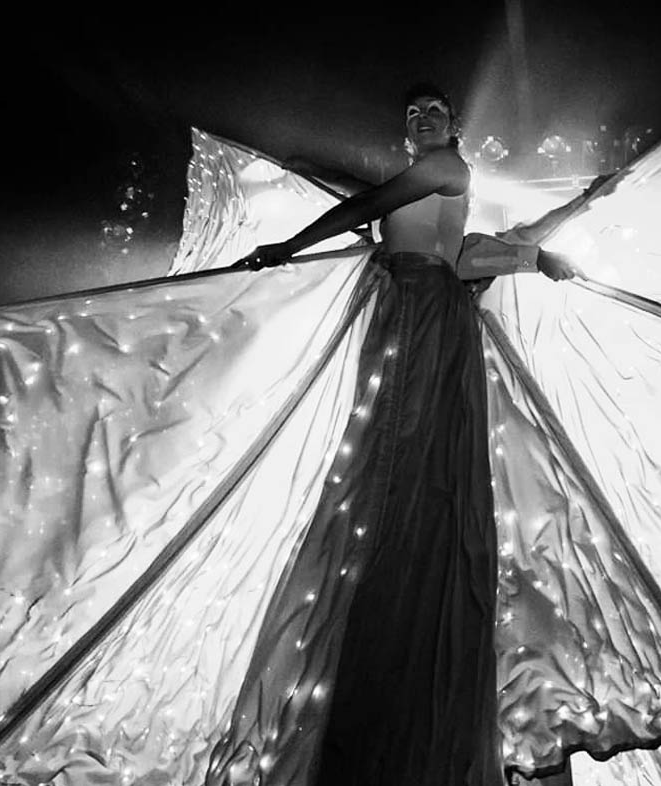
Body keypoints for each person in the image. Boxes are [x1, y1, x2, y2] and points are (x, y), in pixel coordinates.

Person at [233, 82, 581, 785]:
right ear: (405, 132)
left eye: (434, 112)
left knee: (403, 468)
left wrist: (291, 245)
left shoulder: (446, 167)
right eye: (412, 115)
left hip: (422, 312)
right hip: (411, 307)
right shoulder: (430, 183)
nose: (422, 119)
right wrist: (533, 256)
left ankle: (396, 657)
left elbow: (370, 205)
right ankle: (386, 680)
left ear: (454, 127)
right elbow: (458, 247)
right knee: (391, 472)